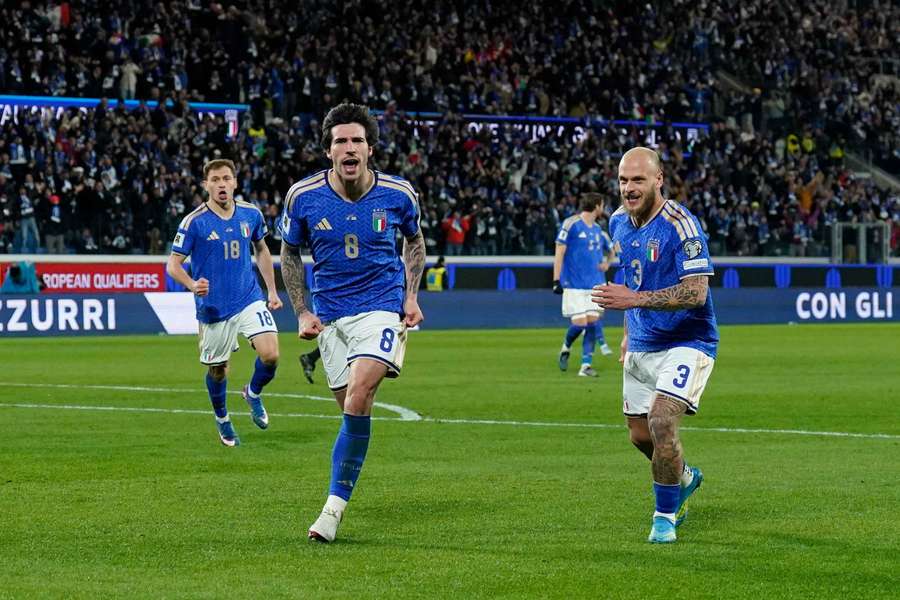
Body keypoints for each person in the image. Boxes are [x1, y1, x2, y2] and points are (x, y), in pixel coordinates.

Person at [279, 102, 425, 543]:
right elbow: (289, 252)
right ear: (328, 151)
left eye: (356, 140)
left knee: (359, 396)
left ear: (370, 149)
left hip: (382, 306)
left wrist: (412, 297)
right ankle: (344, 487)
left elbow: (414, 242)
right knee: (349, 406)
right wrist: (302, 311)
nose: (349, 148)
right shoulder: (302, 197)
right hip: (331, 317)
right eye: (340, 141)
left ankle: (331, 510)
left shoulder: (399, 194)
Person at [592, 147, 718, 544]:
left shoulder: (681, 226)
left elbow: (697, 292)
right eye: (624, 180)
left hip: (688, 340)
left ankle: (664, 518)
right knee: (640, 436)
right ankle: (682, 477)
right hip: (643, 343)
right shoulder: (617, 223)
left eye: (638, 180)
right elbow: (636, 276)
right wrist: (629, 332)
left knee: (662, 419)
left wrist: (634, 300)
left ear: (659, 180)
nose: (629, 188)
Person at [166, 158, 283, 447]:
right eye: (215, 180)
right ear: (205, 185)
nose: (221, 184)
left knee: (271, 355)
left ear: (235, 182)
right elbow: (173, 264)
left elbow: (262, 249)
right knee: (218, 370)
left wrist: (272, 290)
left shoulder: (251, 214)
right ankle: (222, 419)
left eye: (226, 178)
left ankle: (253, 393)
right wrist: (192, 284)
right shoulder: (194, 222)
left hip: (248, 297)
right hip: (215, 308)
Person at [552, 193, 615, 377]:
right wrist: (556, 280)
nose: (603, 208)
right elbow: (559, 252)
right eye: (602, 204)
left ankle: (585, 366)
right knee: (580, 324)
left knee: (593, 323)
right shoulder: (570, 224)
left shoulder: (598, 230)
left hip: (595, 284)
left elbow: (611, 251)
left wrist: (607, 263)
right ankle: (566, 347)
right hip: (574, 284)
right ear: (597, 205)